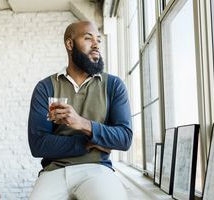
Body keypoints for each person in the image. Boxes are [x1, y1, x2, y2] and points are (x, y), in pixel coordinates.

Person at [28, 21, 133, 200]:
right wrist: (88, 143)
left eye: (98, 40)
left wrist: (82, 123)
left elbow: (124, 138)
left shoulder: (114, 85)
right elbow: (38, 145)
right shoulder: (45, 87)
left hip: (97, 169)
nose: (96, 45)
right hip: (53, 171)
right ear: (70, 44)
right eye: (88, 38)